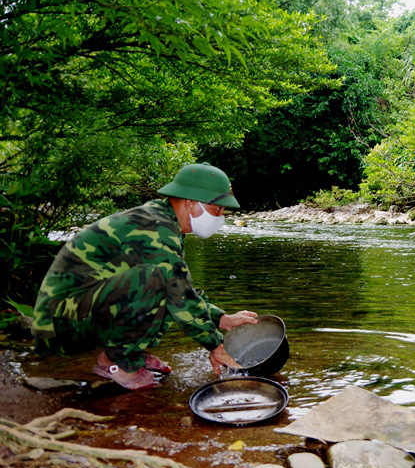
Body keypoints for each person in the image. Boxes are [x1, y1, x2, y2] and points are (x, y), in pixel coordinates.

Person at [31, 163, 258, 389]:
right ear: (191, 203)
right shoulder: (157, 229)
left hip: (77, 313)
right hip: (58, 327)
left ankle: (131, 355)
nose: (220, 217)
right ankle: (114, 361)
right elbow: (179, 296)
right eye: (217, 210)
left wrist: (221, 319)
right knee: (153, 280)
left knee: (164, 283)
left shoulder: (163, 222)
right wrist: (217, 347)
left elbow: (180, 286)